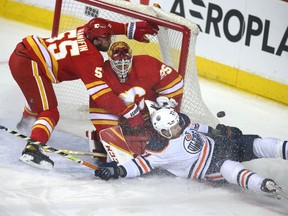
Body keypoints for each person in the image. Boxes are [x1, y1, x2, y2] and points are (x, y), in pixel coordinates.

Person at [8, 17, 159, 170]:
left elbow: (103, 23)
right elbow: (101, 96)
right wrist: (129, 112)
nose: (111, 41)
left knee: (40, 98)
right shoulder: (90, 58)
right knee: (50, 112)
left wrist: (128, 29)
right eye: (107, 38)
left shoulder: (86, 30)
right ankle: (32, 150)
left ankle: (24, 125)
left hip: (25, 56)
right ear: (97, 41)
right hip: (29, 64)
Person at [94, 106, 288, 197]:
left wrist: (220, 131)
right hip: (211, 168)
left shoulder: (181, 121)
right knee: (231, 169)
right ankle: (265, 185)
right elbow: (139, 165)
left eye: (177, 125)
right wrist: (117, 170)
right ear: (162, 132)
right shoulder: (158, 150)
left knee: (258, 144)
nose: (178, 129)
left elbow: (199, 127)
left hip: (221, 145)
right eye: (172, 129)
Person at [88, 41, 184, 154]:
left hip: (151, 116)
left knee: (169, 120)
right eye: (118, 63)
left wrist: (167, 105)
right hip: (122, 122)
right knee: (110, 134)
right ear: (110, 59)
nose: (122, 66)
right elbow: (100, 104)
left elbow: (174, 82)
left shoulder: (147, 64)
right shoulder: (101, 74)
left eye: (125, 61)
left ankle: (177, 145)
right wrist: (111, 138)